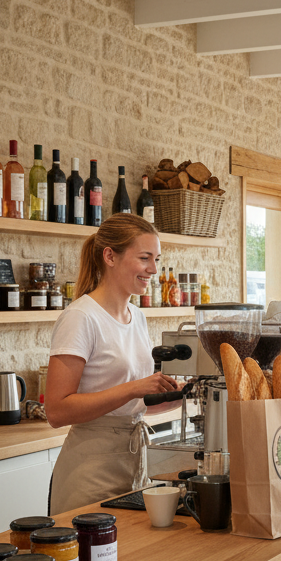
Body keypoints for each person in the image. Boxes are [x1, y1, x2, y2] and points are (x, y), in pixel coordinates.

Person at [45, 214, 180, 513]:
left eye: (156, 259)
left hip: (133, 464)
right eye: (145, 258)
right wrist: (134, 388)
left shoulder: (138, 317)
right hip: (90, 470)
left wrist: (178, 393)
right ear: (110, 256)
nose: (153, 270)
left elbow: (134, 404)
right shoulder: (81, 317)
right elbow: (56, 410)